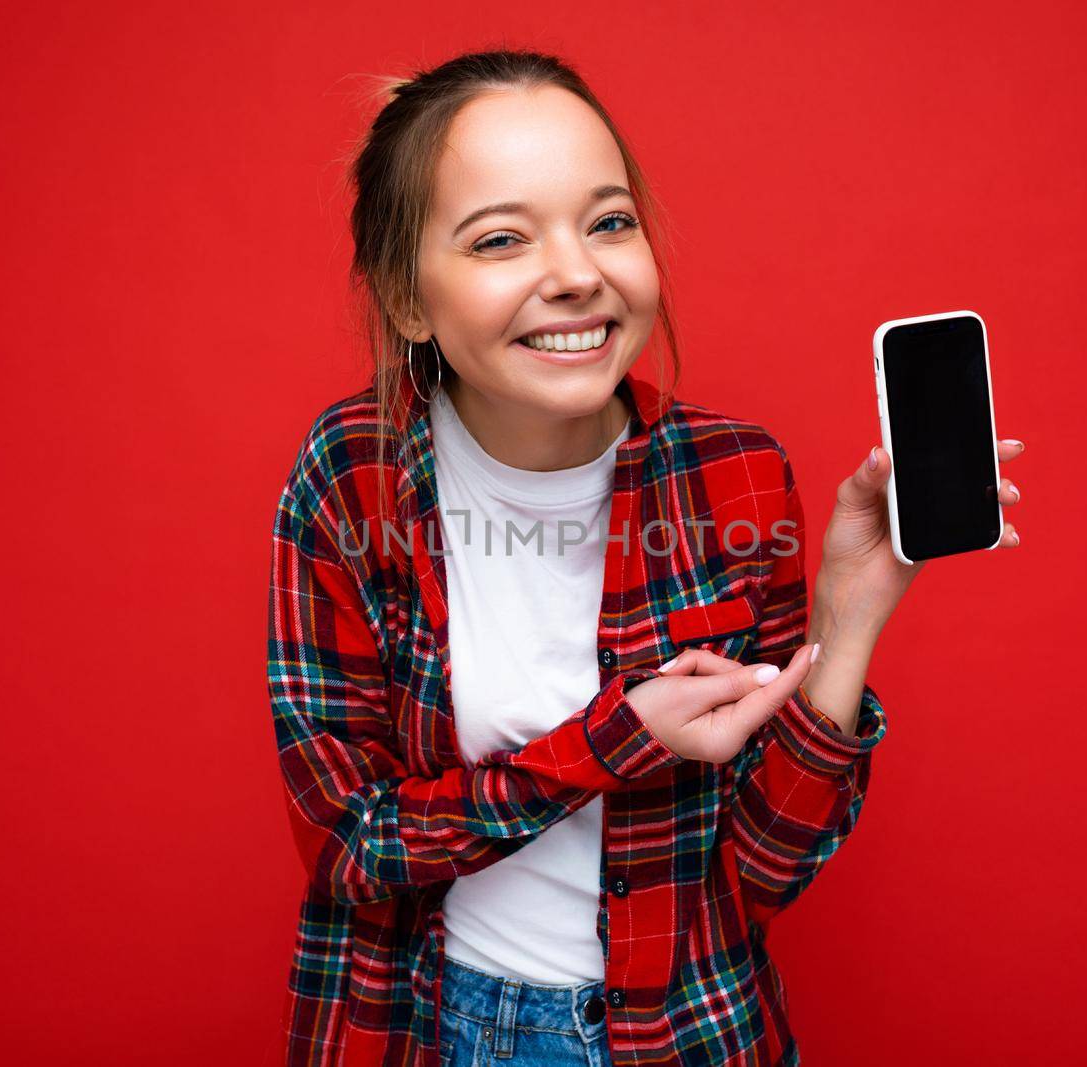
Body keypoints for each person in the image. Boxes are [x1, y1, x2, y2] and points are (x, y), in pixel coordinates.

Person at [266, 49, 1026, 1067]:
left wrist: (846, 623)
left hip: (687, 1036)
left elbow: (759, 872)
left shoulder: (735, 477)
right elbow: (351, 847)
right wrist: (610, 741)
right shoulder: (353, 476)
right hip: (431, 1027)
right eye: (501, 238)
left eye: (609, 221)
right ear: (409, 301)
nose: (578, 272)